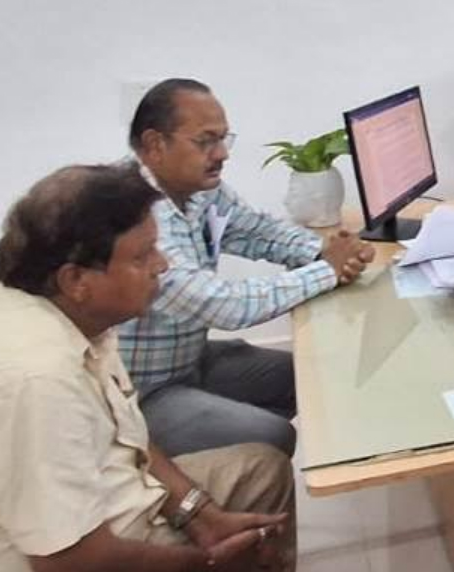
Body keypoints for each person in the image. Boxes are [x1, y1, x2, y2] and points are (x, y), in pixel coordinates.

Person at [0, 163, 296, 572]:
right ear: (76, 280)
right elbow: (69, 561)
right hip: (39, 557)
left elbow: (128, 437)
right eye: (142, 255)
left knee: (261, 470)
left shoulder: (71, 316)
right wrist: (207, 563)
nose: (161, 265)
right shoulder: (33, 380)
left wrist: (201, 515)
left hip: (104, 502)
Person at [119, 78, 375, 458]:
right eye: (205, 141)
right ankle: (197, 474)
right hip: (142, 394)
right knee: (268, 436)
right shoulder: (132, 212)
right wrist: (326, 271)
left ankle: (215, 466)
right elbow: (222, 305)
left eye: (223, 139)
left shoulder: (199, 190)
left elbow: (258, 231)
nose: (222, 154)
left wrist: (328, 252)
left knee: (315, 380)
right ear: (156, 144)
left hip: (191, 360)